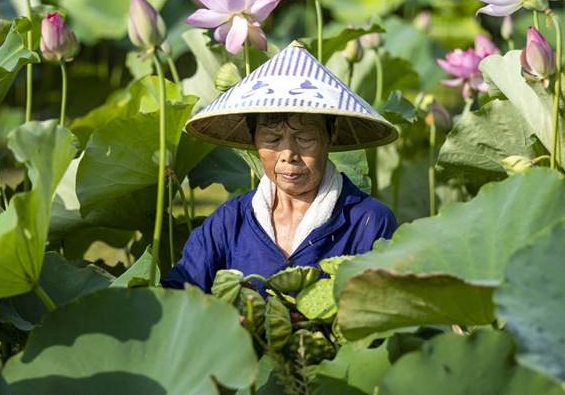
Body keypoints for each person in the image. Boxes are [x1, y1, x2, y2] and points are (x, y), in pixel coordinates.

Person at [162, 42, 398, 293]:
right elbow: (176, 295)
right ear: (252, 138)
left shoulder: (369, 222)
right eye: (272, 139)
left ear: (333, 132)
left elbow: (389, 310)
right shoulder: (229, 221)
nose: (288, 155)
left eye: (304, 138)